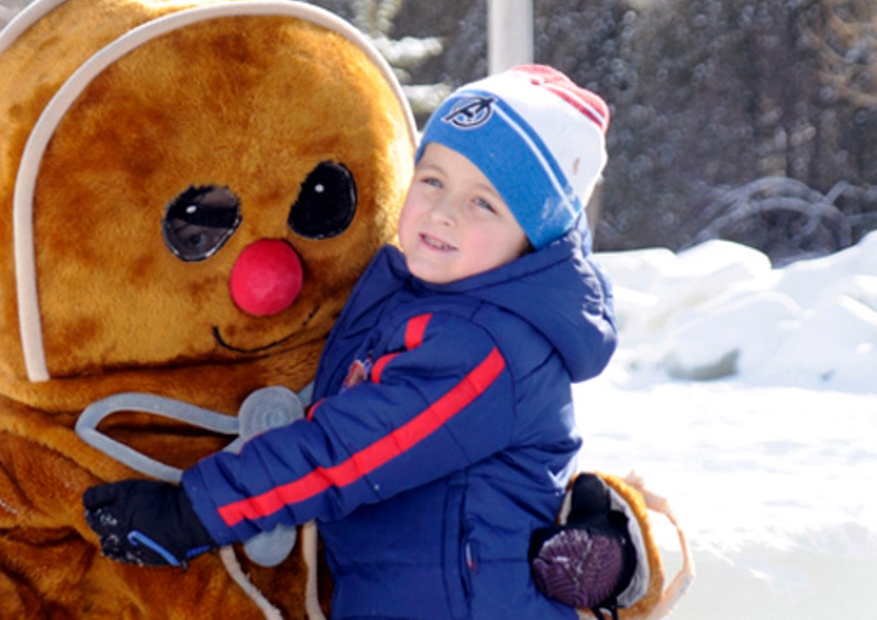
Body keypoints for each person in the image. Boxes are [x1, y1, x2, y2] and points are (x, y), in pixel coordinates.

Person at [84, 64, 625, 619]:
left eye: (483, 202)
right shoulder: (422, 301)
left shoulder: (487, 350)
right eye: (433, 180)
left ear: (534, 238)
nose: (441, 212)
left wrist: (195, 512)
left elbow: (346, 451)